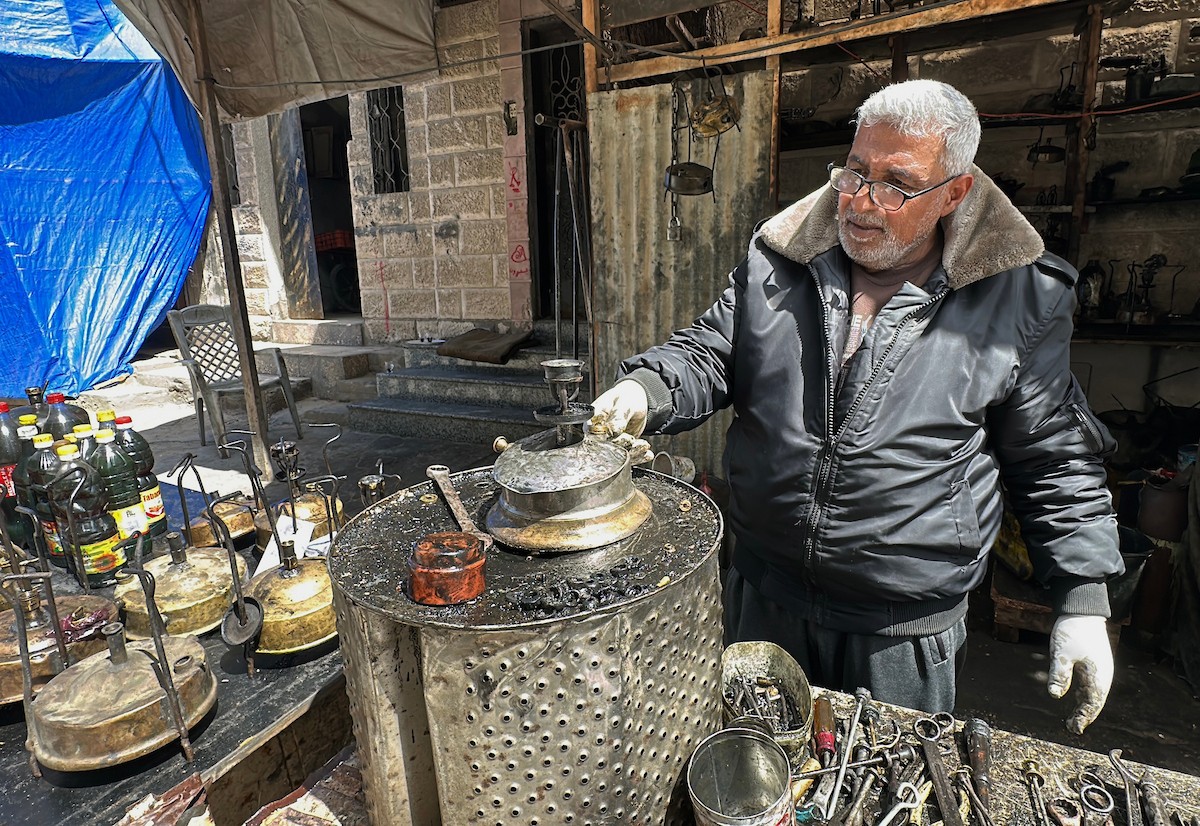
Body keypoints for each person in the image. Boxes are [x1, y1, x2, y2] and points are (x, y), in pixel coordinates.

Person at [589, 80, 1123, 733]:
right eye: (856, 172)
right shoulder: (779, 260)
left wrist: (1083, 599)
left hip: (899, 633)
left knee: (887, 783)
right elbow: (711, 353)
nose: (862, 202)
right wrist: (645, 390)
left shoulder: (1017, 300)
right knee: (753, 775)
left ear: (955, 191)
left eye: (897, 185)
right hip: (765, 599)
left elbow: (1053, 458)